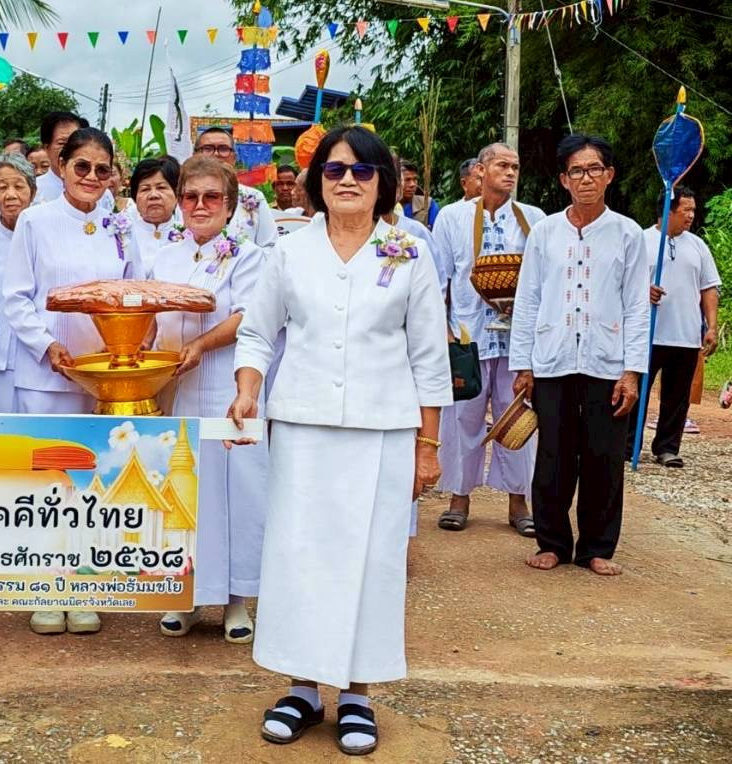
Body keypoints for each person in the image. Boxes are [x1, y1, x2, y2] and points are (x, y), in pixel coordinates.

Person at [228, 125, 450, 754]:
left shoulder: (409, 252)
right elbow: (257, 334)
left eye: (361, 170)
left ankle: (357, 694)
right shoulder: (290, 252)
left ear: (383, 183)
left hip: (383, 433)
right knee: (300, 558)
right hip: (301, 427)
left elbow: (430, 358)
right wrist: (248, 390)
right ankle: (302, 688)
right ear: (316, 181)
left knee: (372, 561)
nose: (347, 180)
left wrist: (428, 447)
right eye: (334, 170)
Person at [4, 127, 141, 637]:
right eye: (80, 166)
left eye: (101, 169)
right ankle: (44, 587)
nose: (90, 177)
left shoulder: (121, 224)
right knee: (47, 481)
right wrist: (46, 345)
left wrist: (127, 349)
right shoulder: (36, 221)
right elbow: (16, 296)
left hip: (105, 376)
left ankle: (83, 588)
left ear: (112, 175)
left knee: (90, 482)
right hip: (47, 372)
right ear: (61, 167)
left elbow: (134, 290)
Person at [510, 133, 649, 577]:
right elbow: (528, 298)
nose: (585, 178)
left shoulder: (627, 233)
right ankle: (552, 542)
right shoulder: (546, 233)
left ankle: (597, 546)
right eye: (576, 171)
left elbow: (637, 305)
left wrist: (632, 372)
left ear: (609, 175)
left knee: (603, 456)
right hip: (552, 360)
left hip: (606, 362)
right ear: (563, 180)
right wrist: (524, 364)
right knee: (553, 453)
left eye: (594, 169)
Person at [152, 155, 266, 643]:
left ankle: (237, 601)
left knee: (235, 492)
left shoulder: (248, 254)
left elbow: (249, 317)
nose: (200, 206)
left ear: (230, 205)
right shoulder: (165, 254)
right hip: (179, 391)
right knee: (185, 492)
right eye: (191, 197)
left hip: (229, 387)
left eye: (211, 197)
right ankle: (188, 597)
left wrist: (200, 345)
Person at [431, 143, 544, 535]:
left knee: (520, 419)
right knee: (464, 418)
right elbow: (437, 280)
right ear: (481, 170)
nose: (510, 173)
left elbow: (543, 280)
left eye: (515, 166)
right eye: (502, 165)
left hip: (518, 343)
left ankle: (519, 502)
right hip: (469, 336)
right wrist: (444, 334)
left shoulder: (533, 219)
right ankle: (459, 498)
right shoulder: (452, 217)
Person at [630, 185, 720, 467]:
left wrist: (711, 326)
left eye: (693, 210)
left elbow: (709, 288)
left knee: (677, 397)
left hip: (685, 334)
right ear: (668, 211)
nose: (691, 215)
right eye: (686, 210)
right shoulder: (640, 241)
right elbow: (621, 284)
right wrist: (644, 291)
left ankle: (667, 448)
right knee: (635, 391)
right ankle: (626, 444)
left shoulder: (697, 246)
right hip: (646, 333)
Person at [0, 154, 37, 413]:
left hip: (37, 354)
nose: (11, 194)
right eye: (2, 187)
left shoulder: (43, 230)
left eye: (19, 186)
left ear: (32, 192)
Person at [193, 127, 277, 247]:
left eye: (223, 149)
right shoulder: (185, 197)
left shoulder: (253, 197)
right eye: (207, 149)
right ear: (195, 155)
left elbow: (270, 246)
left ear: (234, 157)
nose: (216, 154)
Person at [128, 156, 181, 273]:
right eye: (145, 189)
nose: (153, 195)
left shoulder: (191, 235)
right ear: (135, 197)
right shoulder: (123, 235)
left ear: (177, 194)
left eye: (161, 188)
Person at [34, 110, 90, 203]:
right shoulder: (34, 190)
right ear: (46, 148)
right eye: (62, 143)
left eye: (75, 142)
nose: (70, 148)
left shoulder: (97, 190)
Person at [400, 160, 440, 228]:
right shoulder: (385, 208)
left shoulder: (428, 204)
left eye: (415, 179)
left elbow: (437, 233)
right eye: (407, 180)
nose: (412, 184)